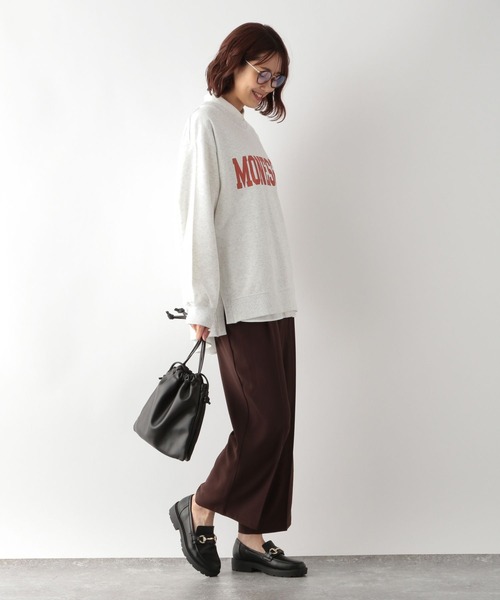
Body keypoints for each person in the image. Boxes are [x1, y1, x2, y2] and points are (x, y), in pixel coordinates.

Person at [168, 22, 307, 578]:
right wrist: (201, 304)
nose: (267, 86)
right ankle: (199, 506)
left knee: (280, 426)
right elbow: (197, 219)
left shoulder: (246, 129)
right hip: (239, 303)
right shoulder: (207, 122)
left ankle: (252, 538)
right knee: (263, 423)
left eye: (277, 79)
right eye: (262, 72)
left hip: (275, 297)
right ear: (234, 60)